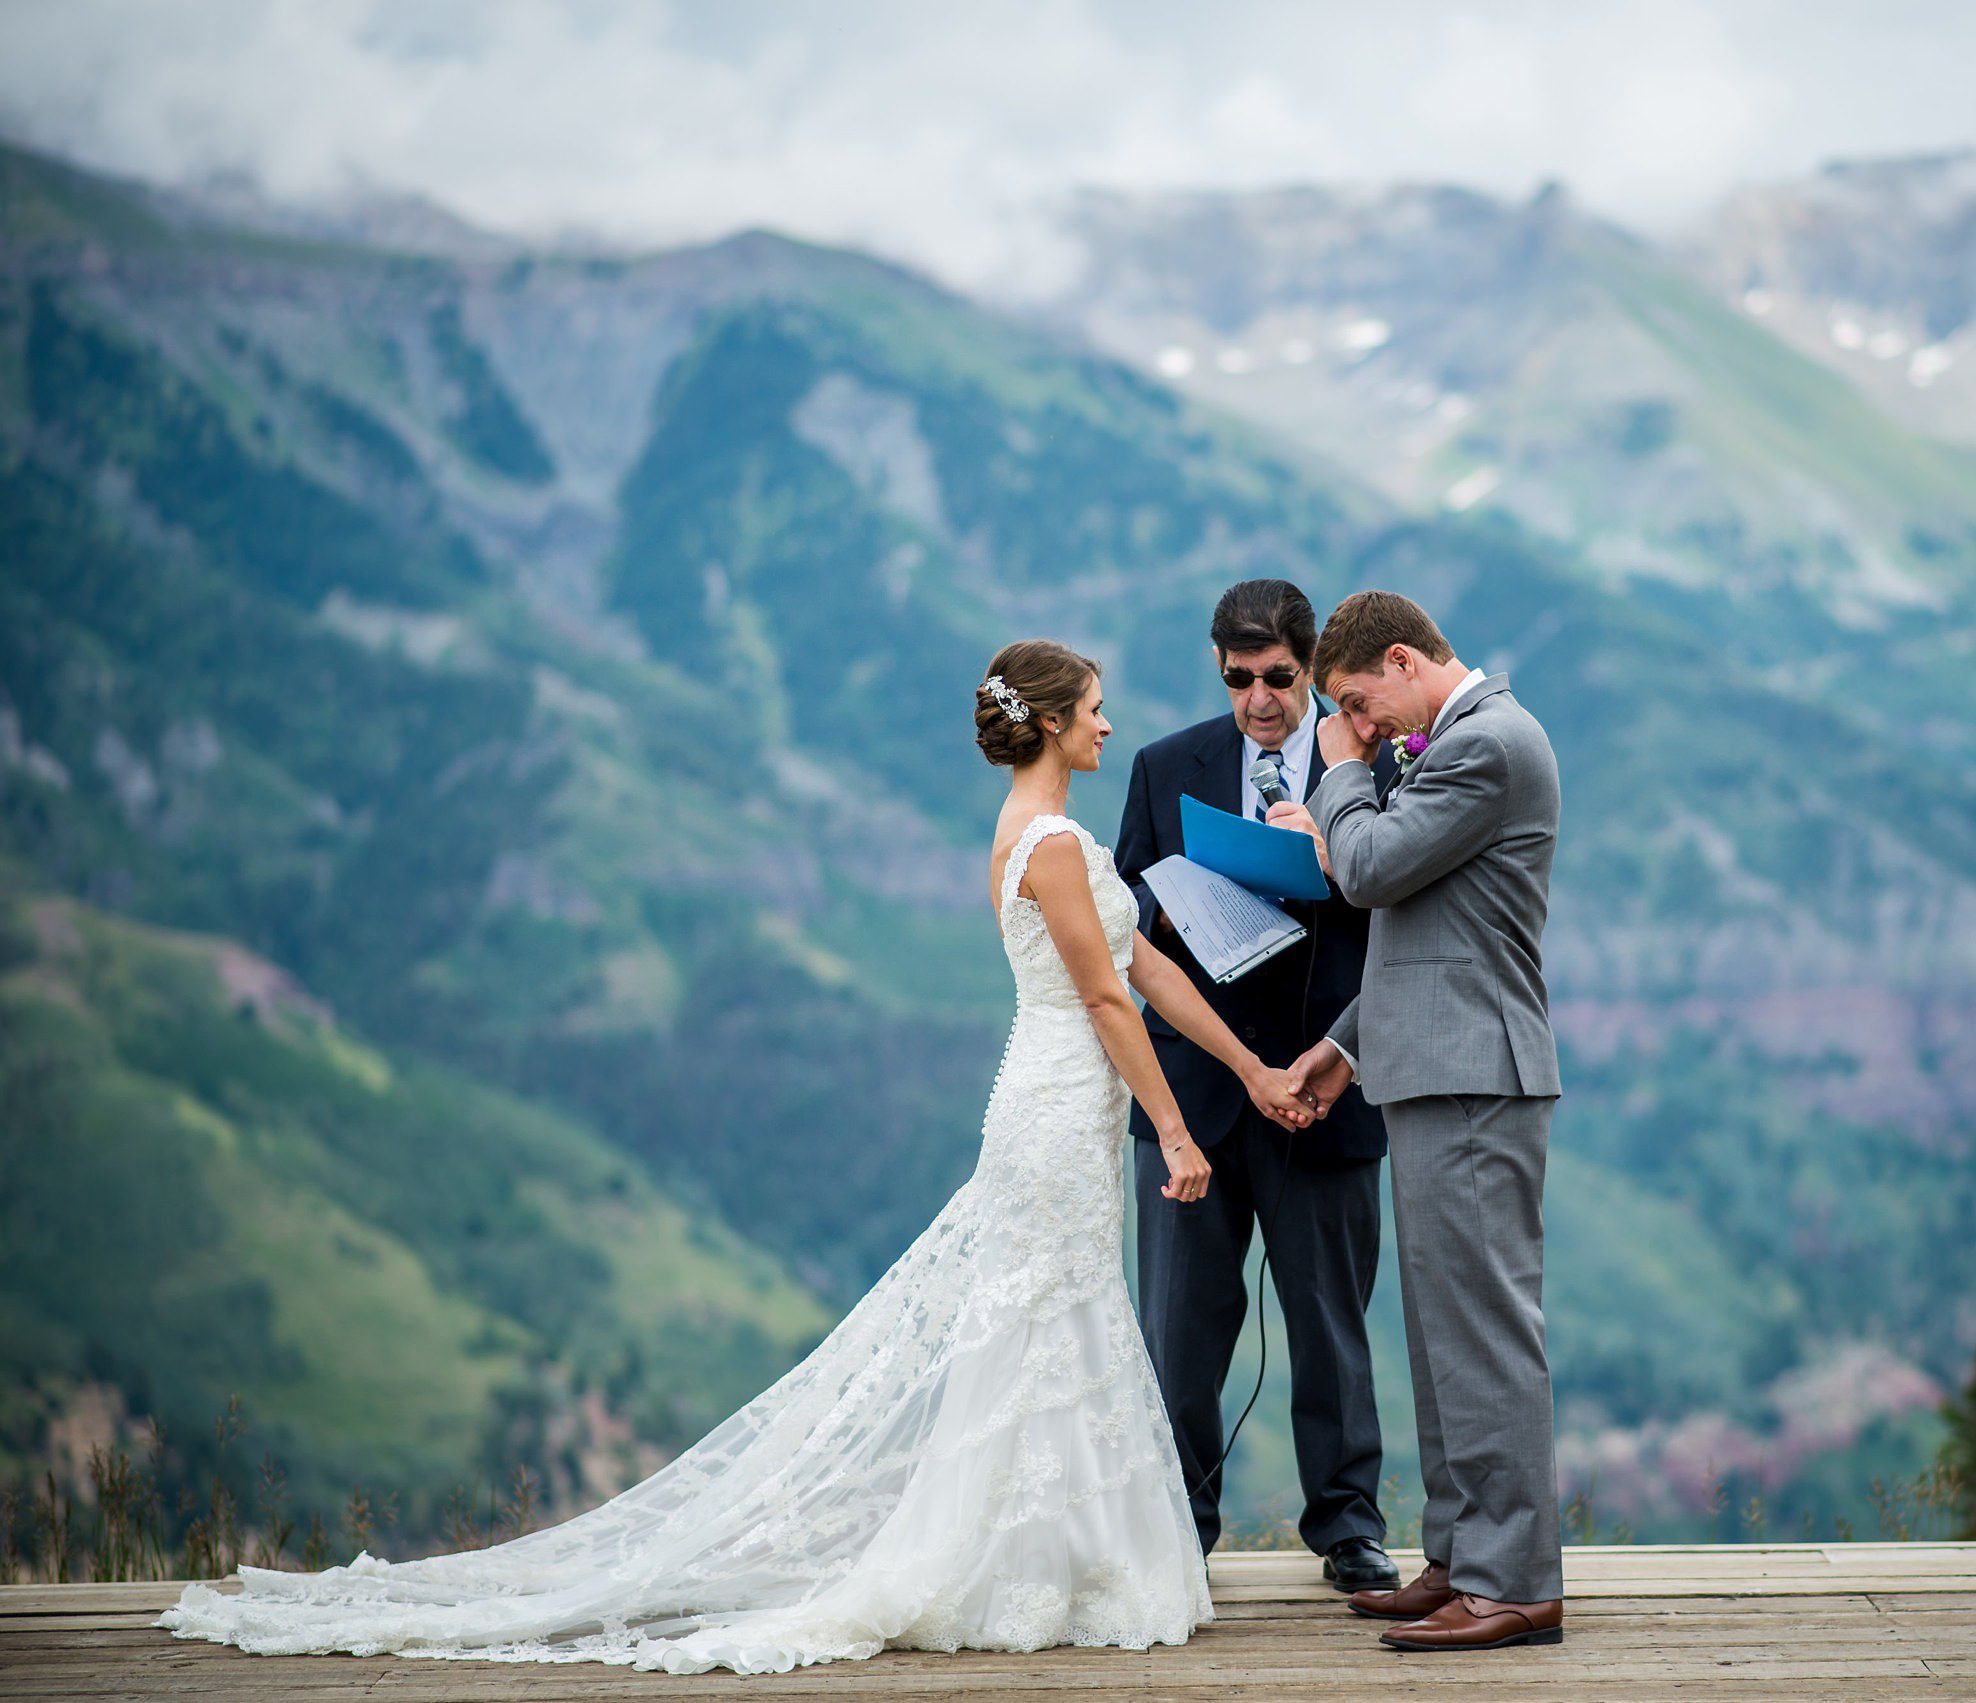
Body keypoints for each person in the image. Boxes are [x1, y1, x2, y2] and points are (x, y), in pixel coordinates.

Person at [161, 640, 1313, 1674]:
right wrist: (1169, 1125)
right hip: (1057, 1098)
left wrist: (1250, 1072)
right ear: (1054, 721)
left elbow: (1152, 971)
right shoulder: (1053, 838)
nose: (1111, 725)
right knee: (1039, 1316)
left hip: (1054, 1096)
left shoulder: (1038, 830)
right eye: (1096, 710)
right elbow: (1106, 994)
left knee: (1056, 1318)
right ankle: (1011, 1562)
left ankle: (1054, 1559)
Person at [1278, 591, 1567, 1652]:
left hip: (1473, 1076)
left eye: (1358, 700)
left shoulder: (1485, 744)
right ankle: (1462, 1555)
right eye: (1349, 715)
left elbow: (1362, 869)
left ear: (1401, 660)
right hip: (1433, 1065)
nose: (1362, 724)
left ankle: (1516, 1579)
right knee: (1446, 1331)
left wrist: (1336, 767)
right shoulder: (1455, 746)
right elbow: (1430, 932)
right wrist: (1343, 1044)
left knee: (1484, 1330)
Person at [1113, 579, 1398, 1595]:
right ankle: (1177, 1528)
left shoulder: (1369, 766)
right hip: (1191, 1089)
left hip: (1324, 1083)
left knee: (1330, 1329)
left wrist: (1322, 855)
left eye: (1277, 678)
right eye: (1237, 680)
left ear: (1309, 668)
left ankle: (1348, 1531)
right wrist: (1186, 891)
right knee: (1179, 1327)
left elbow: (1398, 924)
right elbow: (1126, 919)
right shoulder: (1162, 767)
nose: (1258, 700)